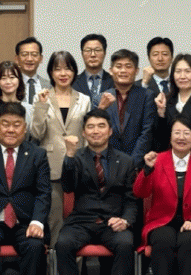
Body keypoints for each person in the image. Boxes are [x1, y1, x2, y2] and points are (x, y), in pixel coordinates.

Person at [135, 115, 191, 275]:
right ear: (170, 137)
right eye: (177, 132)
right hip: (162, 222)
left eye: (186, 133)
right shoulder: (157, 160)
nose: (181, 137)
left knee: (188, 241)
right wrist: (147, 169)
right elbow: (140, 192)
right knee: (163, 241)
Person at [0, 102, 51, 275]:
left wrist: (37, 222)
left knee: (34, 246)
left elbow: (43, 193)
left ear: (25, 128)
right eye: (5, 124)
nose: (11, 130)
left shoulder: (37, 154)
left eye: (16, 125)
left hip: (25, 221)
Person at [55, 109, 137, 275]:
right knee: (63, 243)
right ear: (83, 133)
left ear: (110, 131)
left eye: (101, 126)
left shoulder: (126, 161)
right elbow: (68, 187)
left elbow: (131, 199)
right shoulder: (76, 157)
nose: (96, 131)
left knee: (125, 244)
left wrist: (126, 221)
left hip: (112, 222)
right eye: (90, 127)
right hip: (81, 222)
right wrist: (69, 155)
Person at [31, 51, 91, 244]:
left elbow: (88, 134)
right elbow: (36, 134)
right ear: (50, 72)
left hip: (78, 163)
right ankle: (54, 259)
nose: (63, 73)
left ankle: (75, 259)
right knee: (54, 218)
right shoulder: (42, 98)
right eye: (57, 69)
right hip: (51, 165)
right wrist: (41, 106)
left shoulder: (84, 99)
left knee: (78, 217)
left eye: (68, 68)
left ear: (74, 72)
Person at [97, 49, 155, 169]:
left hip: (137, 165)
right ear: (111, 71)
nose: (123, 70)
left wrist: (131, 164)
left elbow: (147, 132)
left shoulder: (147, 96)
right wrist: (101, 108)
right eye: (118, 66)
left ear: (136, 71)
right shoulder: (100, 98)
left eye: (128, 66)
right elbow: (96, 130)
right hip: (107, 164)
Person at [72, 34, 114, 109]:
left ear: (105, 53)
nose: (93, 55)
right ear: (82, 54)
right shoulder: (72, 83)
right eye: (88, 50)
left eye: (97, 50)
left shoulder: (115, 82)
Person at [15, 36, 51, 107]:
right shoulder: (10, 85)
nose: (29, 59)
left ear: (41, 59)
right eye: (24, 54)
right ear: (17, 59)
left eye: (34, 54)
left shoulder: (50, 86)